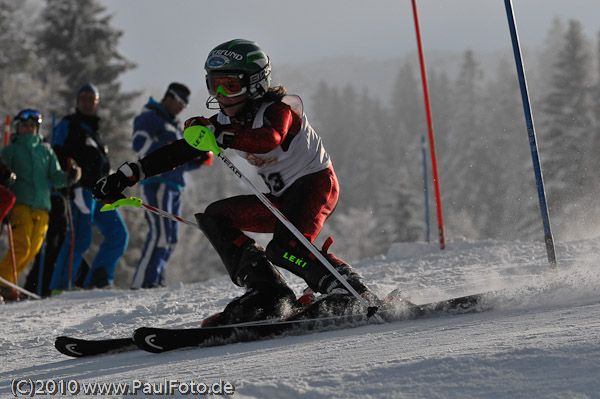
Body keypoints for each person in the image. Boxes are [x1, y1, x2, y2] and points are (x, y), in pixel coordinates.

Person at [93, 39, 374, 325]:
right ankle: (269, 293)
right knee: (216, 217)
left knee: (285, 248)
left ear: (255, 85)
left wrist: (221, 135)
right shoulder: (226, 121)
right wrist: (127, 175)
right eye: (214, 85)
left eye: (230, 85)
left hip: (316, 185)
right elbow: (179, 152)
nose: (221, 95)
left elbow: (269, 139)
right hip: (281, 197)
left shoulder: (278, 110)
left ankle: (348, 288)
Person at [130, 82, 212, 289]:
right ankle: (141, 284)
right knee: (160, 234)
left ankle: (155, 281)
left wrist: (195, 159)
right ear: (168, 97)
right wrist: (169, 147)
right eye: (180, 101)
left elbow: (176, 163)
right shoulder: (150, 116)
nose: (182, 107)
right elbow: (140, 146)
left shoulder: (173, 126)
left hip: (175, 186)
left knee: (171, 238)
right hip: (157, 182)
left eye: (186, 104)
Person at [49, 83, 129, 293]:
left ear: (96, 103)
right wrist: (68, 173)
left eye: (91, 99)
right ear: (77, 101)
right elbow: (56, 151)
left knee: (118, 234)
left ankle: (98, 280)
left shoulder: (95, 132)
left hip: (101, 193)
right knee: (80, 240)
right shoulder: (69, 124)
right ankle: (60, 288)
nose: (87, 102)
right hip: (80, 190)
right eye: (83, 98)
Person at [0, 109, 80, 301]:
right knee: (21, 246)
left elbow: (56, 177)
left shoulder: (46, 150)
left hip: (43, 207)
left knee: (32, 250)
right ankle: (3, 283)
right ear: (18, 128)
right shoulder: (11, 150)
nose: (29, 129)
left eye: (32, 126)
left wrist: (71, 175)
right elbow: (1, 171)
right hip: (20, 204)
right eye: (25, 126)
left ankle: (8, 284)